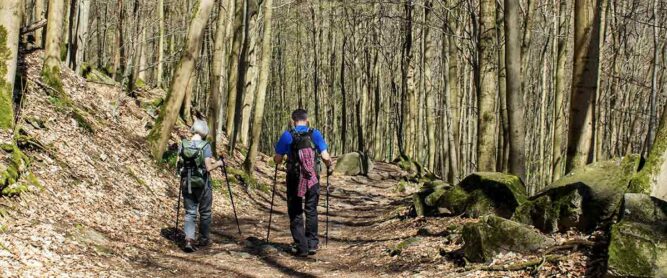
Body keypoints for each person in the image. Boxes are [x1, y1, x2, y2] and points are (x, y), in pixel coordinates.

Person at [274, 109, 334, 257]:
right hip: (312, 177)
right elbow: (325, 156)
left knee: (295, 210)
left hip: (294, 177)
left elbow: (277, 158)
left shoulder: (287, 135)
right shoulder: (315, 134)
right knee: (311, 209)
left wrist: (280, 159)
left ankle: (302, 246)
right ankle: (312, 243)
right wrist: (329, 165)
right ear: (307, 120)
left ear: (293, 120)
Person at [177, 118, 223, 252]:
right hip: (203, 184)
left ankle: (189, 240)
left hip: (187, 182)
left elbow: (179, 163)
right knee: (205, 212)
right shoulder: (205, 146)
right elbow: (208, 167)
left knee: (190, 212)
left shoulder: (183, 144)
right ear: (204, 132)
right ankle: (203, 239)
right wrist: (219, 163)